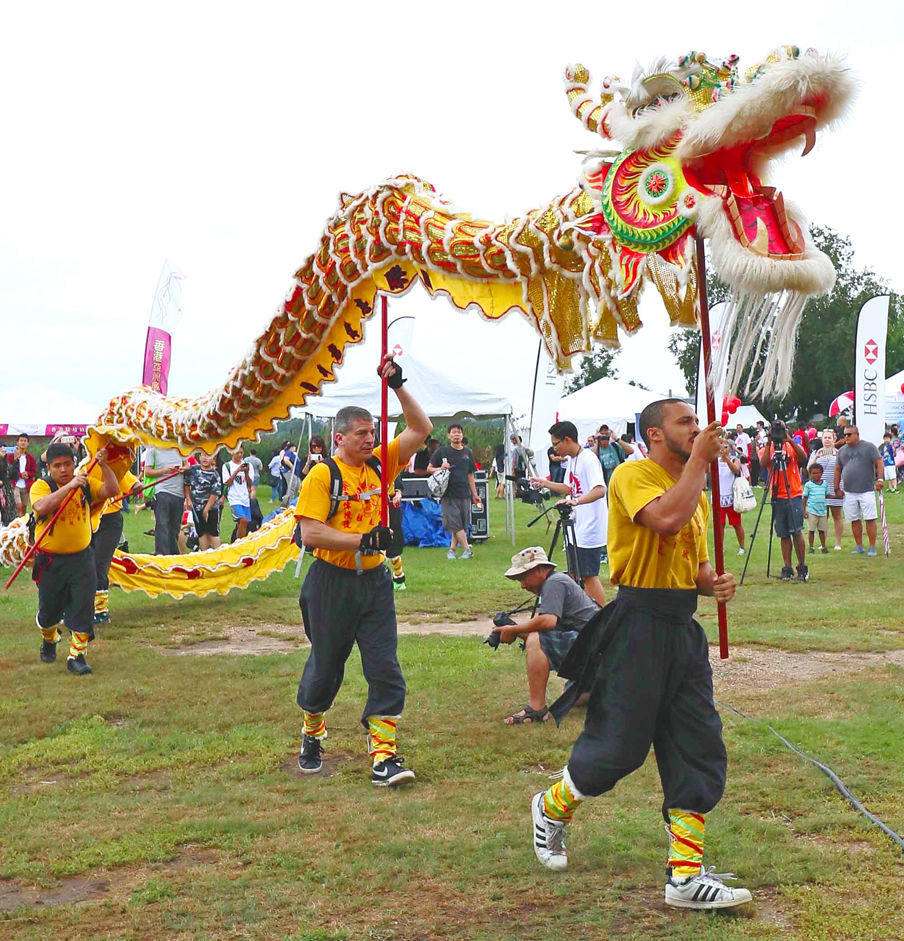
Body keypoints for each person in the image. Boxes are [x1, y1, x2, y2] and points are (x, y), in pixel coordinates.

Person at [529, 399, 750, 911]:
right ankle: (550, 809)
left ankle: (686, 876)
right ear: (654, 433)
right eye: (686, 423)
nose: (697, 430)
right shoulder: (632, 475)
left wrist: (711, 583)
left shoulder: (692, 486)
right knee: (618, 750)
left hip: (680, 629)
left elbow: (692, 562)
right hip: (637, 626)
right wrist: (700, 461)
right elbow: (665, 522)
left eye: (697, 423)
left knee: (697, 743)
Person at [294, 354, 432, 785]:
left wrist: (398, 387)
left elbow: (420, 430)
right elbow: (311, 534)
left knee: (384, 665)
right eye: (361, 434)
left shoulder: (380, 463)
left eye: (373, 432)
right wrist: (362, 540)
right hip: (331, 583)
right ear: (338, 438)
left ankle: (383, 758)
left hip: (374, 582)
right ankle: (312, 733)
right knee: (325, 668)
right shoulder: (323, 475)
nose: (370, 439)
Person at [31, 442, 120, 675]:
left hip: (81, 559)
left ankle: (76, 656)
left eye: (68, 464)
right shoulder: (41, 486)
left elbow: (111, 491)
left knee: (82, 607)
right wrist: (70, 486)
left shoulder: (86, 483)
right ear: (49, 468)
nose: (63, 469)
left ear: (74, 463)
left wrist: (104, 465)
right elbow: (41, 507)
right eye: (57, 466)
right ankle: (49, 639)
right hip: (50, 562)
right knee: (49, 613)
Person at [497, 546, 597, 725]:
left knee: (536, 637)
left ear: (540, 569)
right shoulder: (556, 581)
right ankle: (601, 689)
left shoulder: (554, 582)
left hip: (596, 650)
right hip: (600, 650)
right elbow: (548, 638)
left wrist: (513, 630)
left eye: (523, 577)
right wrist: (516, 632)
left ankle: (537, 709)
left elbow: (547, 622)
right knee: (576, 698)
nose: (522, 585)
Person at [530, 421, 607, 606]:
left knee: (589, 575)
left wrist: (576, 501)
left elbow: (600, 490)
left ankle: (601, 616)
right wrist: (544, 483)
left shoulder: (588, 460)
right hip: (577, 526)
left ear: (567, 440)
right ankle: (583, 612)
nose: (554, 449)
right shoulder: (572, 460)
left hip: (590, 527)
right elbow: (569, 487)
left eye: (556, 444)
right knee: (575, 573)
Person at [91, 446, 141, 624]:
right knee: (82, 565)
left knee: (99, 564)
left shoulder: (115, 466)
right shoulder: (85, 467)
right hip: (86, 521)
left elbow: (133, 483)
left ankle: (100, 611)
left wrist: (136, 486)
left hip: (109, 522)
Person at [758, 423, 809, 581]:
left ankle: (802, 566)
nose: (778, 434)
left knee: (796, 530)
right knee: (783, 533)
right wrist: (769, 442)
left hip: (793, 493)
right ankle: (787, 567)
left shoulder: (792, 446)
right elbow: (763, 462)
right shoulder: (767, 448)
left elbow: (803, 458)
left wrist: (790, 440)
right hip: (777, 494)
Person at [429, 424, 482, 560]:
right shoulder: (442, 452)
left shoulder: (467, 453)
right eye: (453, 432)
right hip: (447, 493)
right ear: (449, 436)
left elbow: (470, 475)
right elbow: (429, 469)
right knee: (454, 522)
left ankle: (452, 550)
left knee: (460, 524)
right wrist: (440, 468)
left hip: (464, 493)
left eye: (459, 432)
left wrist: (475, 494)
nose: (456, 434)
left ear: (462, 435)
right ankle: (467, 549)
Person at [833, 426, 883, 557]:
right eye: (845, 435)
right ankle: (859, 545)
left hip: (866, 490)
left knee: (870, 518)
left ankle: (872, 547)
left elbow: (879, 461)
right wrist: (836, 488)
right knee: (854, 519)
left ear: (857, 434)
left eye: (849, 435)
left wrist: (880, 479)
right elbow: (838, 469)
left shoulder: (869, 447)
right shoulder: (842, 451)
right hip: (848, 491)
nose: (846, 437)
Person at [143, 446, 190, 555]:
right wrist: (165, 471)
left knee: (175, 526)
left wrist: (184, 469)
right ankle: (161, 554)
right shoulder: (153, 449)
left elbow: (187, 465)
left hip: (178, 493)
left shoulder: (179, 447)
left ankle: (173, 555)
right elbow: (147, 471)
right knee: (162, 524)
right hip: (161, 490)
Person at [808, 429, 844, 550]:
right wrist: (816, 457)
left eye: (830, 437)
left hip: (835, 487)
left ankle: (838, 543)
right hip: (820, 489)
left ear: (834, 439)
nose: (827, 440)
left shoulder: (839, 453)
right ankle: (823, 542)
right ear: (821, 439)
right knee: (823, 516)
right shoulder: (816, 453)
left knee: (837, 515)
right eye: (825, 437)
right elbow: (809, 468)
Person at [184, 452, 223, 550]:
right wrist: (188, 499)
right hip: (196, 507)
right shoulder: (193, 470)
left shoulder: (215, 474)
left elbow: (215, 493)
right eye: (203, 456)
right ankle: (204, 553)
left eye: (208, 456)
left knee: (213, 532)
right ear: (199, 457)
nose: (205, 458)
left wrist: (206, 509)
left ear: (213, 458)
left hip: (211, 509)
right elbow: (186, 484)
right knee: (201, 533)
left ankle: (218, 554)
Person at [715, 445, 745, 556]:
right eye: (721, 446)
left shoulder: (734, 459)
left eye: (726, 447)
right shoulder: (715, 461)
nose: (723, 449)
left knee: (737, 524)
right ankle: (720, 548)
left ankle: (742, 547)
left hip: (732, 498)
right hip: (719, 498)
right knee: (720, 525)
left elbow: (736, 469)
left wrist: (726, 458)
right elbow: (708, 470)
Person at [221, 448, 253, 540]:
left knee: (243, 523)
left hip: (244, 498)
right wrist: (237, 471)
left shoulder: (248, 465)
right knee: (243, 519)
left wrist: (246, 472)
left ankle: (238, 540)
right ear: (232, 453)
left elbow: (250, 483)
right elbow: (227, 482)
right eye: (237, 453)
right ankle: (239, 542)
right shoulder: (227, 466)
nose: (239, 455)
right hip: (234, 498)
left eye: (241, 453)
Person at [8, 434, 38, 516]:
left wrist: (28, 474)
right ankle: (17, 524)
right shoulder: (11, 456)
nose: (23, 443)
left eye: (25, 441)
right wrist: (20, 474)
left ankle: (23, 524)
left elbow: (34, 472)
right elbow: (9, 471)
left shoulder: (31, 458)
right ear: (17, 442)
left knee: (24, 507)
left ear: (28, 443)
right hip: (15, 484)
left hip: (26, 485)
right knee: (19, 506)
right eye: (21, 440)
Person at [802, 464, 829, 553]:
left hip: (822, 511)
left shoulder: (824, 484)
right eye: (814, 473)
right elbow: (805, 498)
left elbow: (827, 496)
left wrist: (837, 496)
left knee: (822, 530)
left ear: (822, 473)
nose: (816, 475)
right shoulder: (808, 485)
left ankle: (824, 546)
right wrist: (804, 510)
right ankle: (811, 547)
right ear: (810, 474)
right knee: (811, 530)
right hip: (812, 511)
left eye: (818, 473)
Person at [0, 448, 17, 526]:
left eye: (4, 448)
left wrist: (16, 461)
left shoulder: (6, 463)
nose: (3, 450)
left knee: (8, 515)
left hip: (7, 492)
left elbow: (13, 475)